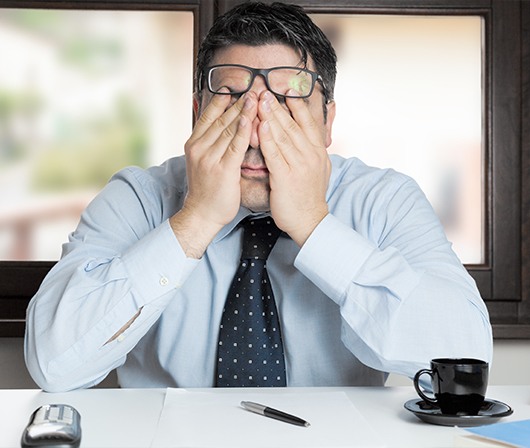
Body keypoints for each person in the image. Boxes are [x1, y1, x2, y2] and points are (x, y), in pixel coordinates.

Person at [25, 1, 492, 392]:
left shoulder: (385, 200)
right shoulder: (138, 198)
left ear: (327, 121)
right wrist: (196, 218)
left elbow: (464, 356)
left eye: (288, 103)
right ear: (197, 113)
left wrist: (313, 224)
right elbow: (54, 365)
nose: (256, 131)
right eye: (230, 97)